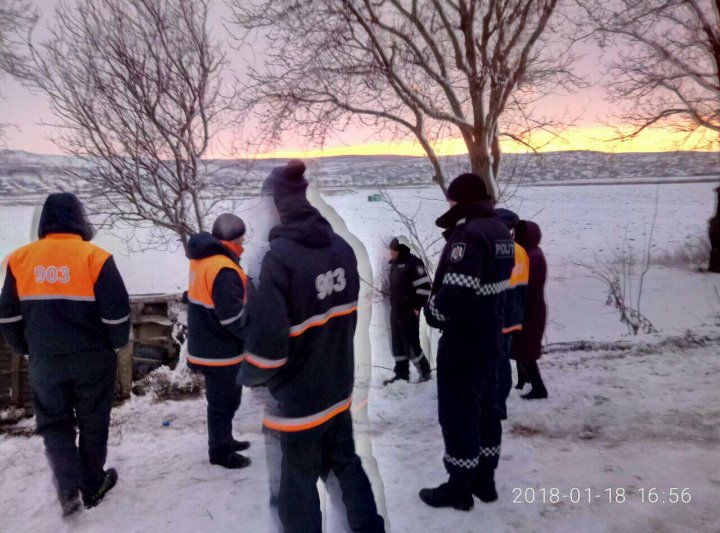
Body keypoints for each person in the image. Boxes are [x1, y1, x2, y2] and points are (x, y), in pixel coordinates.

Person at [238, 160, 385, 533]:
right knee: (347, 468)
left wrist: (252, 377)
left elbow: (267, 348)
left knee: (297, 488)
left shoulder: (277, 261)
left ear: (275, 206)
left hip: (298, 401)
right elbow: (345, 317)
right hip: (338, 388)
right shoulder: (341, 248)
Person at [0, 193, 130, 517]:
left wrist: (24, 348)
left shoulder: (19, 259)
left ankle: (68, 489)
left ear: (45, 221)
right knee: (93, 422)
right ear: (80, 220)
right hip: (92, 359)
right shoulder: (96, 257)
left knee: (55, 424)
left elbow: (8, 317)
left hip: (46, 361)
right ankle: (93, 485)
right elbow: (117, 315)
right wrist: (112, 344)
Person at [420, 173, 514, 511]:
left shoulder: (468, 236)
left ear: (460, 201)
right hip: (491, 338)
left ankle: (459, 486)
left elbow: (457, 292)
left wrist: (432, 313)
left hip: (464, 341)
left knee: (459, 413)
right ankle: (484, 480)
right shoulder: (501, 231)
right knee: (487, 409)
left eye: (450, 200)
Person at [186, 214, 252, 469]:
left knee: (225, 400)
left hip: (207, 344)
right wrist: (254, 337)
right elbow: (233, 318)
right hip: (219, 349)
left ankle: (226, 439)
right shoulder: (223, 269)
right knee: (223, 402)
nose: (244, 244)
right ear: (232, 240)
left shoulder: (203, 261)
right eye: (241, 239)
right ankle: (220, 452)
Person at [494, 208, 529, 419]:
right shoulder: (521, 251)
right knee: (503, 359)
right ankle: (500, 402)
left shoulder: (501, 250)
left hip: (500, 314)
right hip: (514, 314)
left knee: (498, 361)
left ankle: (498, 404)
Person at [384, 236, 432, 384]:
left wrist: (417, 307)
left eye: (392, 251)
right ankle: (401, 374)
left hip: (409, 311)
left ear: (397, 250)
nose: (390, 254)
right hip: (396, 310)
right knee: (397, 342)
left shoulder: (413, 263)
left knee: (411, 344)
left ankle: (425, 372)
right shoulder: (394, 264)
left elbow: (425, 287)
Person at [511, 220, 549, 399]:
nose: (513, 238)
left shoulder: (531, 257)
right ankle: (523, 381)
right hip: (530, 309)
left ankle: (538, 388)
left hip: (530, 311)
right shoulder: (532, 253)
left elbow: (525, 286)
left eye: (515, 234)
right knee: (520, 347)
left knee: (525, 350)